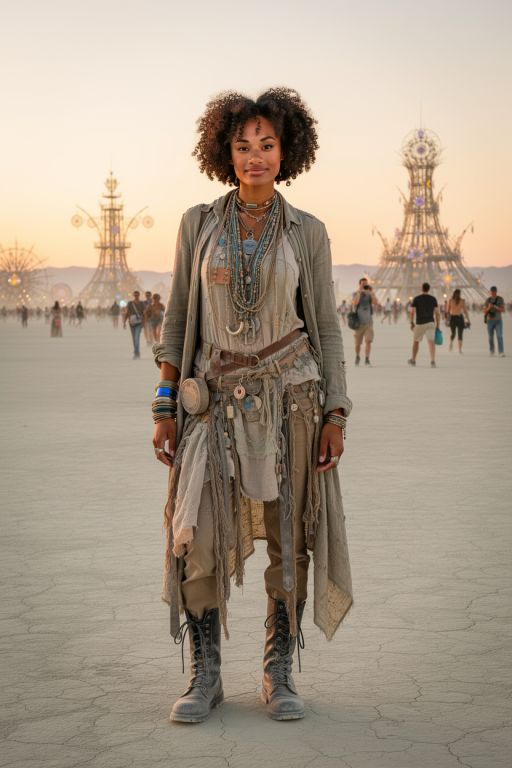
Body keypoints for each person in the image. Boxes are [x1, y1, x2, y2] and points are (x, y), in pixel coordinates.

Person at [152, 88, 353, 724]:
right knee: (198, 534)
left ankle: (277, 669)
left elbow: (324, 327)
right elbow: (178, 318)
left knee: (289, 538)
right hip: (211, 402)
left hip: (292, 401)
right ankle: (205, 673)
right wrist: (164, 404)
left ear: (287, 151)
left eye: (267, 144)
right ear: (225, 153)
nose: (255, 156)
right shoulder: (198, 224)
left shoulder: (307, 232)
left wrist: (336, 412)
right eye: (243, 146)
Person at [408, 282, 440, 367]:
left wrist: (411, 322)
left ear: (421, 288)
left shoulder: (417, 299)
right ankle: (432, 361)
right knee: (431, 342)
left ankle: (413, 360)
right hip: (430, 322)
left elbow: (412, 312)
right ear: (428, 289)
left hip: (420, 323)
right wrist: (438, 325)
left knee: (416, 341)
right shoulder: (433, 299)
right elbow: (437, 313)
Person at [351, 278, 379, 366]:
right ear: (359, 284)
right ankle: (357, 355)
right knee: (357, 344)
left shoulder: (370, 294)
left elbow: (376, 303)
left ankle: (367, 358)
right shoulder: (356, 293)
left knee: (368, 341)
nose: (365, 286)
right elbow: (355, 303)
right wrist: (359, 292)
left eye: (366, 284)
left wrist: (371, 293)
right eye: (363, 284)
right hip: (358, 323)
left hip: (368, 323)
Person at [483, 286, 505, 357]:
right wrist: (489, 307)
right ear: (490, 292)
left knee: (499, 336)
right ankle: (492, 351)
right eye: (492, 291)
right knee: (490, 337)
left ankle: (501, 352)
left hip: (498, 320)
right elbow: (484, 311)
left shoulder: (500, 299)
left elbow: (503, 310)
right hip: (490, 321)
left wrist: (495, 307)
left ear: (496, 291)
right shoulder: (488, 300)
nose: (493, 293)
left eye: (494, 291)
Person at [446, 289, 470, 353]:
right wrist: (468, 320)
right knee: (456, 334)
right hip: (457, 318)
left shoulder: (459, 301)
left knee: (457, 334)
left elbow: (448, 312)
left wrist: (447, 320)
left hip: (455, 318)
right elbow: (448, 311)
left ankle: (459, 349)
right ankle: (457, 348)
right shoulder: (453, 300)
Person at [123, 290, 145, 358]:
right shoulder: (130, 303)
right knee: (134, 339)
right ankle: (136, 352)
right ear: (133, 295)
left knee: (136, 338)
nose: (136, 296)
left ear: (139, 295)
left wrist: (144, 323)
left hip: (139, 323)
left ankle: (136, 353)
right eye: (135, 295)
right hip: (132, 323)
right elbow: (127, 312)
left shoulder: (142, 303)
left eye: (137, 295)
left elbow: (144, 314)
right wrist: (124, 322)